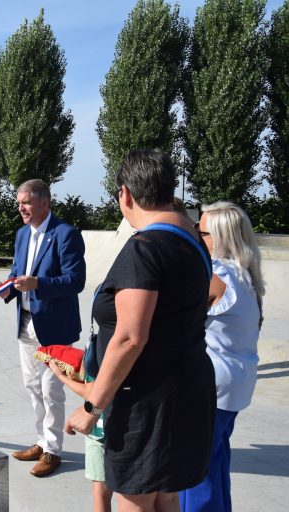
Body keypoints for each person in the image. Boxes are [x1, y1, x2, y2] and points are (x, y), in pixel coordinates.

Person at [65, 149, 215, 511]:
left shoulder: (145, 248)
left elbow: (131, 337)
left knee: (138, 498)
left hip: (147, 405)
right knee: (167, 495)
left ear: (126, 194)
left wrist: (91, 406)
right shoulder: (195, 244)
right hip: (187, 392)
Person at [180, 202, 264, 512]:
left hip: (212, 388)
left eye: (200, 231)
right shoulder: (245, 275)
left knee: (194, 475)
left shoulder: (216, 275)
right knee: (215, 466)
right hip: (235, 385)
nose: (196, 237)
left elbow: (176, 321)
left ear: (219, 237)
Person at [0, 178, 86, 477]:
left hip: (54, 328)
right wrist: (7, 289)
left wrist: (38, 284)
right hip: (26, 323)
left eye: (26, 202)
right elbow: (15, 273)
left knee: (51, 390)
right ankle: (41, 440)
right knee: (33, 387)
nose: (20, 207)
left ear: (44, 203)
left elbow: (76, 281)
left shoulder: (66, 235)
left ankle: (53, 451)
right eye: (19, 202)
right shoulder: (22, 234)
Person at [48, 357, 113, 512]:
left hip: (101, 431)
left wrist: (61, 377)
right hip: (115, 427)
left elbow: (93, 390)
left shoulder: (111, 340)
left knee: (101, 490)